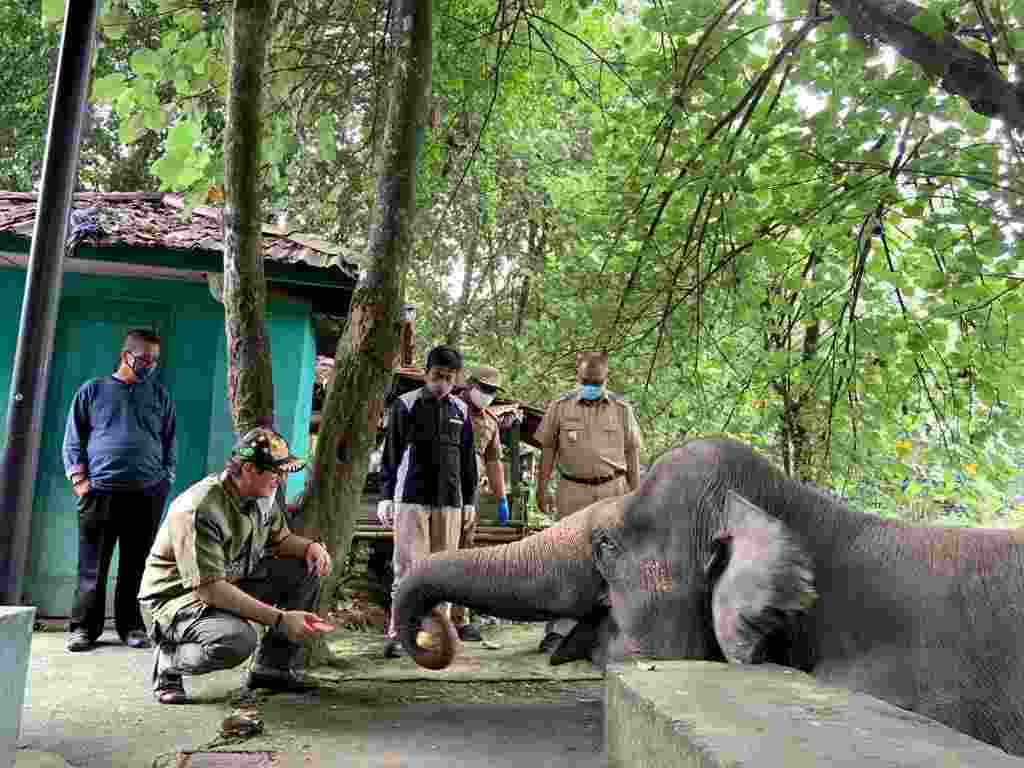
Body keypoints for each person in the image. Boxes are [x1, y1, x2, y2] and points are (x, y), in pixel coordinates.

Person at [137, 427, 333, 704]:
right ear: (250, 469)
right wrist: (280, 619)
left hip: (228, 581)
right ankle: (170, 659)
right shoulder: (200, 508)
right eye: (276, 472)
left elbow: (281, 540)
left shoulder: (262, 496)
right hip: (177, 599)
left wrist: (310, 547)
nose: (281, 479)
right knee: (237, 641)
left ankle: (271, 668)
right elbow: (210, 591)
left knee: (307, 568)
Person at [62, 329, 177, 653]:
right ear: (126, 355)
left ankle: (131, 627)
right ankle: (84, 628)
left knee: (135, 564)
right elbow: (73, 438)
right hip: (99, 491)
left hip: (146, 494)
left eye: (155, 361)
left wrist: (164, 479)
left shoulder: (159, 396)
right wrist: (79, 481)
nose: (150, 366)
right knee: (91, 565)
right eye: (145, 359)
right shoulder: (93, 391)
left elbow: (170, 441)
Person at [533, 351, 642, 654]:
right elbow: (548, 450)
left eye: (596, 381)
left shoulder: (622, 409)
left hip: (613, 490)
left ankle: (612, 631)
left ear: (606, 379)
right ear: (577, 377)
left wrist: (639, 494)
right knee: (566, 558)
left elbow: (632, 454)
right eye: (585, 381)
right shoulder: (560, 407)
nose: (590, 385)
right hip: (572, 490)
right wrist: (541, 489)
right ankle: (559, 630)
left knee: (613, 561)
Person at [377, 345, 478, 658]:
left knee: (444, 573)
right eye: (437, 376)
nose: (442, 383)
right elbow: (391, 454)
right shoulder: (404, 406)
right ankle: (397, 634)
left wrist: (470, 500)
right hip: (411, 498)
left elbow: (467, 461)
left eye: (448, 378)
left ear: (456, 379)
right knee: (408, 570)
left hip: (450, 501)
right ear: (426, 373)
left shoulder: (461, 410)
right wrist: (385, 496)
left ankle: (439, 637)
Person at [451, 365, 510, 642]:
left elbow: (494, 461)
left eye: (492, 392)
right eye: (483, 389)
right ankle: (427, 619)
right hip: (438, 491)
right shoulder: (446, 407)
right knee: (435, 552)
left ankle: (459, 621)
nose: (487, 395)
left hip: (469, 494)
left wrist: (501, 498)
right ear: (470, 384)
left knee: (464, 554)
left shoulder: (490, 422)